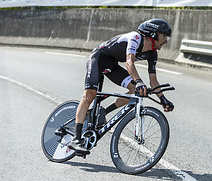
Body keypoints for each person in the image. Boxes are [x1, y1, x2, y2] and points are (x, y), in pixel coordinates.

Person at [68, 18, 175, 154]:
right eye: (164, 36)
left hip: (112, 65)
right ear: (153, 34)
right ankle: (76, 139)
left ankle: (104, 112)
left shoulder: (152, 53)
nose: (166, 40)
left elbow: (153, 80)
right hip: (98, 58)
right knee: (90, 95)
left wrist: (163, 99)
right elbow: (129, 63)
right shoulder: (135, 38)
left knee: (135, 90)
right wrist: (139, 81)